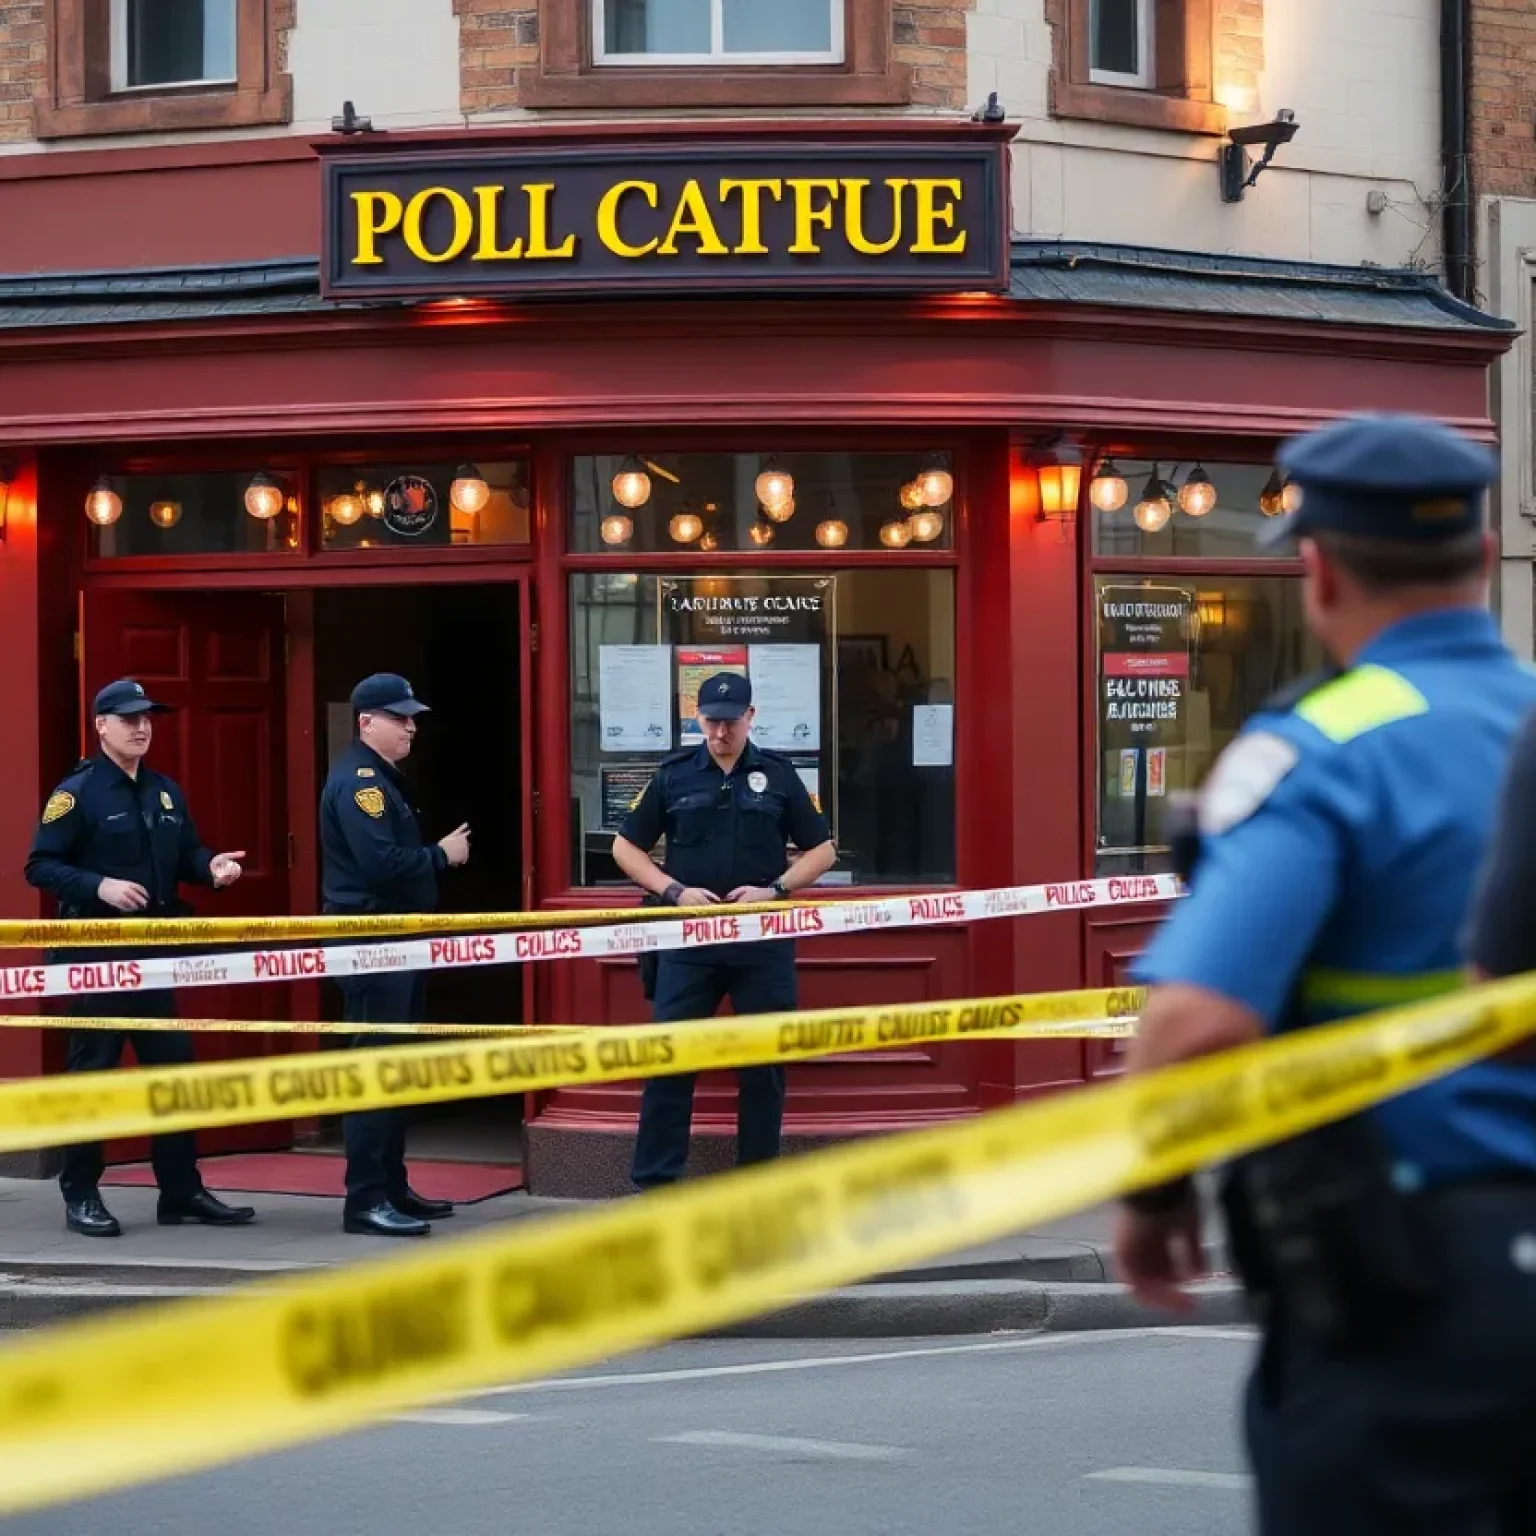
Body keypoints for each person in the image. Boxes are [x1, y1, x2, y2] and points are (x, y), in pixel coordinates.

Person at [1112, 414, 1536, 1534]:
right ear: (1483, 558)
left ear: (1316, 567)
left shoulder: (1321, 748)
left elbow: (1195, 1022)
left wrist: (1155, 1191)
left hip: (1418, 1296)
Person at [24, 678, 256, 1237]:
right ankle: (80, 1193)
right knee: (95, 1074)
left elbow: (186, 855)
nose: (141, 726)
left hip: (154, 956)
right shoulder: (76, 794)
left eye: (147, 717)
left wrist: (212, 870)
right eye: (128, 718)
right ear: (101, 726)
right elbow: (40, 865)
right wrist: (98, 885)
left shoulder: (165, 791)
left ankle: (180, 1191)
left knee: (174, 1070)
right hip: (99, 955)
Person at [612, 670, 837, 1190]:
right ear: (697, 719)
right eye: (712, 722)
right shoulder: (672, 776)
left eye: (731, 722)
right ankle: (656, 1183)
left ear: (751, 717)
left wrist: (775, 890)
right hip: (690, 943)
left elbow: (823, 850)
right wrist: (672, 891)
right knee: (670, 1062)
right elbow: (627, 846)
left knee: (763, 1066)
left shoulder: (780, 776)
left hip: (761, 941)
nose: (721, 733)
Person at [319, 672, 471, 1237]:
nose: (411, 727)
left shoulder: (384, 779)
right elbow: (380, 864)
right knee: (373, 1068)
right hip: (370, 940)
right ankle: (365, 1200)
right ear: (367, 723)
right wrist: (442, 854)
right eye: (400, 718)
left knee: (397, 1067)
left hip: (395, 939)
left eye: (411, 718)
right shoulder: (360, 783)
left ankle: (392, 1186)